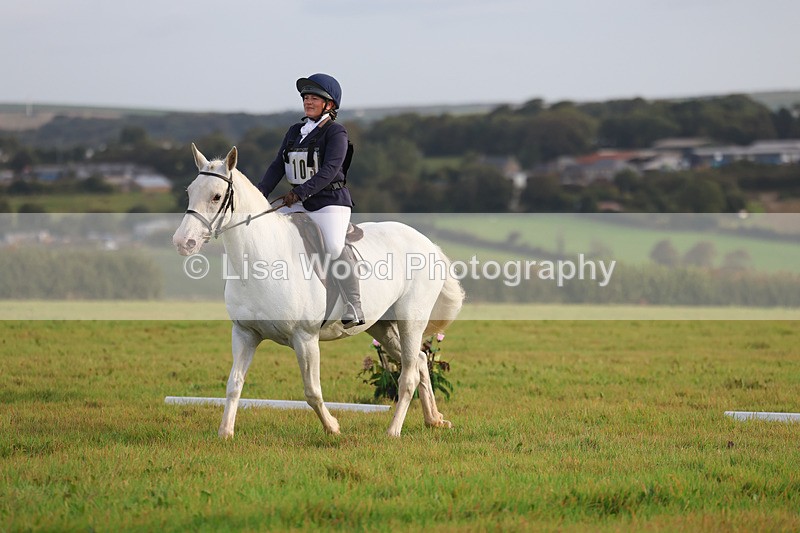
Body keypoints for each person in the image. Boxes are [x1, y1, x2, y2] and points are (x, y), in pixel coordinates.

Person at [257, 73, 364, 328]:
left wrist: (300, 192)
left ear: (329, 104)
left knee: (334, 246)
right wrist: (258, 195)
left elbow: (329, 170)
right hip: (298, 200)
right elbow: (277, 166)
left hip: (330, 201)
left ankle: (354, 304)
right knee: (266, 233)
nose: (308, 101)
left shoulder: (335, 132)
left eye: (314, 97)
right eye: (305, 97)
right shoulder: (295, 131)